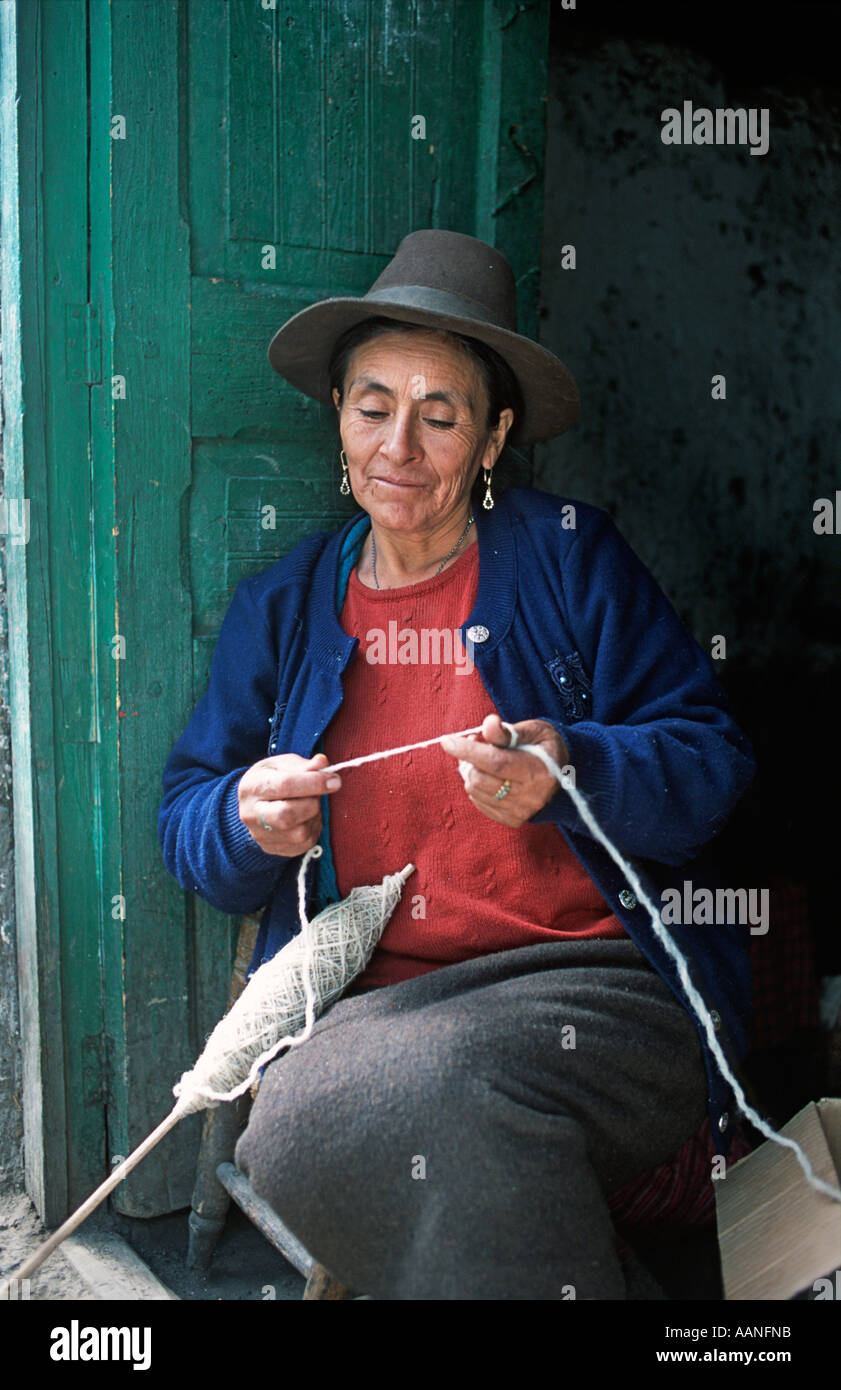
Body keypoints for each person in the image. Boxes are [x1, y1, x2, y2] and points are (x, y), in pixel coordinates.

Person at [158, 229, 756, 1299]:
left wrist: (575, 764)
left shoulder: (569, 555)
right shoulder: (287, 610)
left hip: (600, 991)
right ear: (336, 420)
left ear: (492, 438)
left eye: (441, 417)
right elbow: (188, 818)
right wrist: (245, 819)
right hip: (375, 1010)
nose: (401, 445)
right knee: (290, 1133)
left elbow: (712, 765)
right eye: (372, 406)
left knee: (442, 1095)